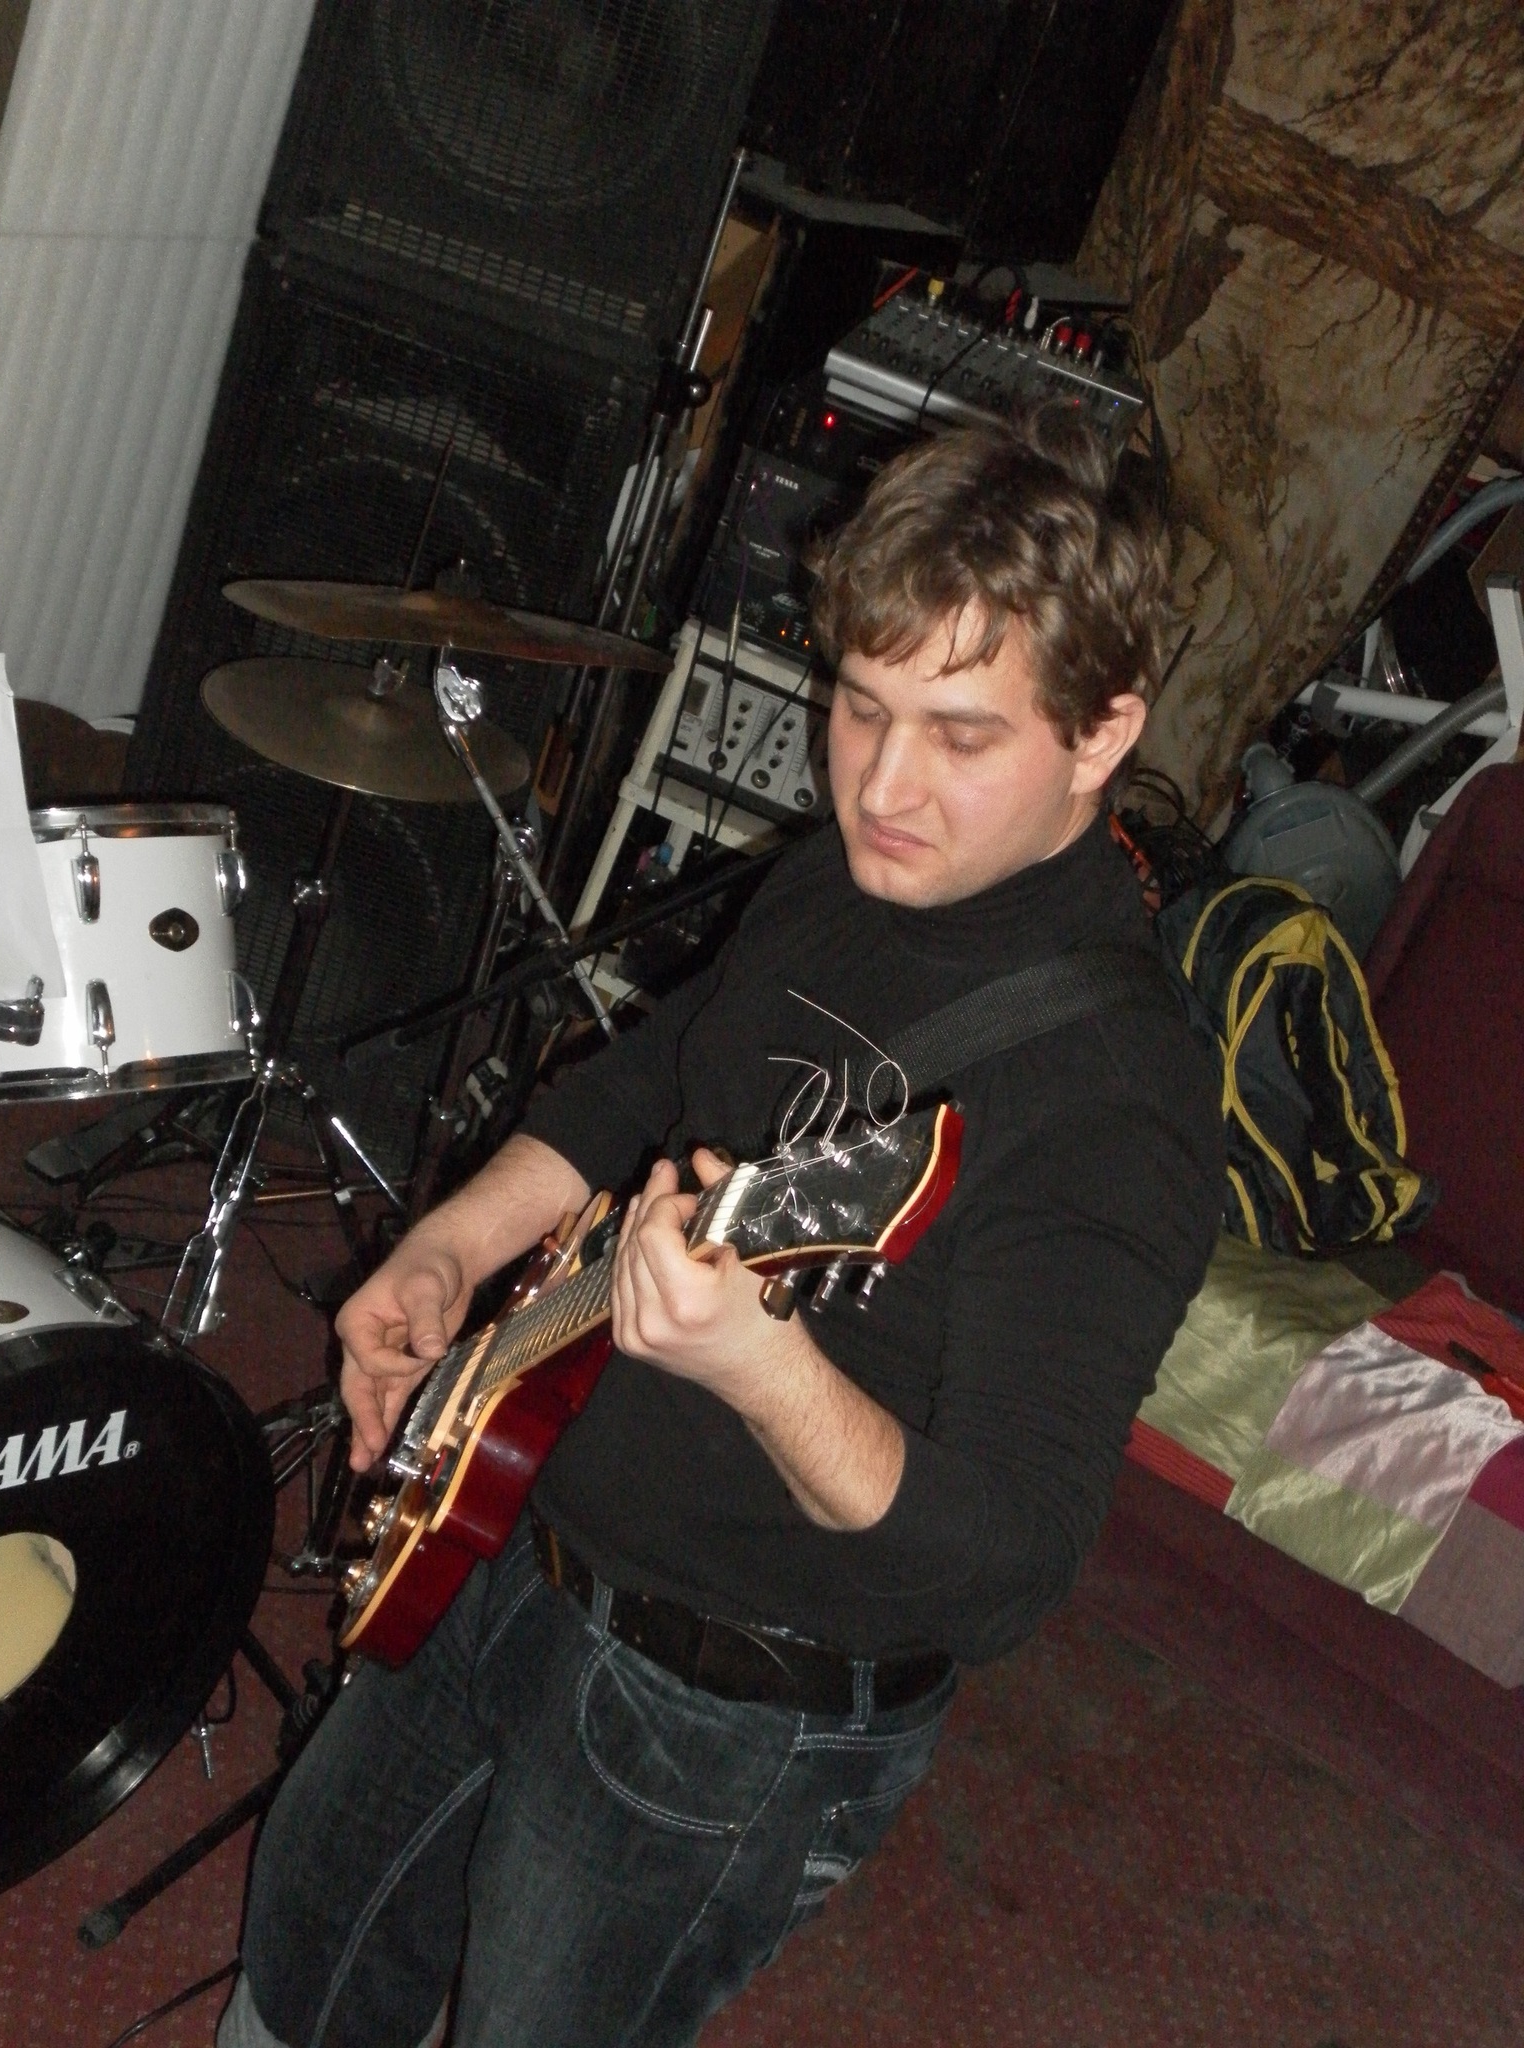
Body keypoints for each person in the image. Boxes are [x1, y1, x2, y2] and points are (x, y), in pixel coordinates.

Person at [219, 413, 1224, 2048]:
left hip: (724, 1713)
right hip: (517, 1525)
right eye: (861, 705)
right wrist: (451, 1250)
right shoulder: (843, 881)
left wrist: (763, 1369)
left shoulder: (1117, 1103)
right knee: (307, 1949)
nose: (881, 785)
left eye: (962, 735)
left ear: (1106, 728)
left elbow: (1000, 1569)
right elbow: (651, 1082)